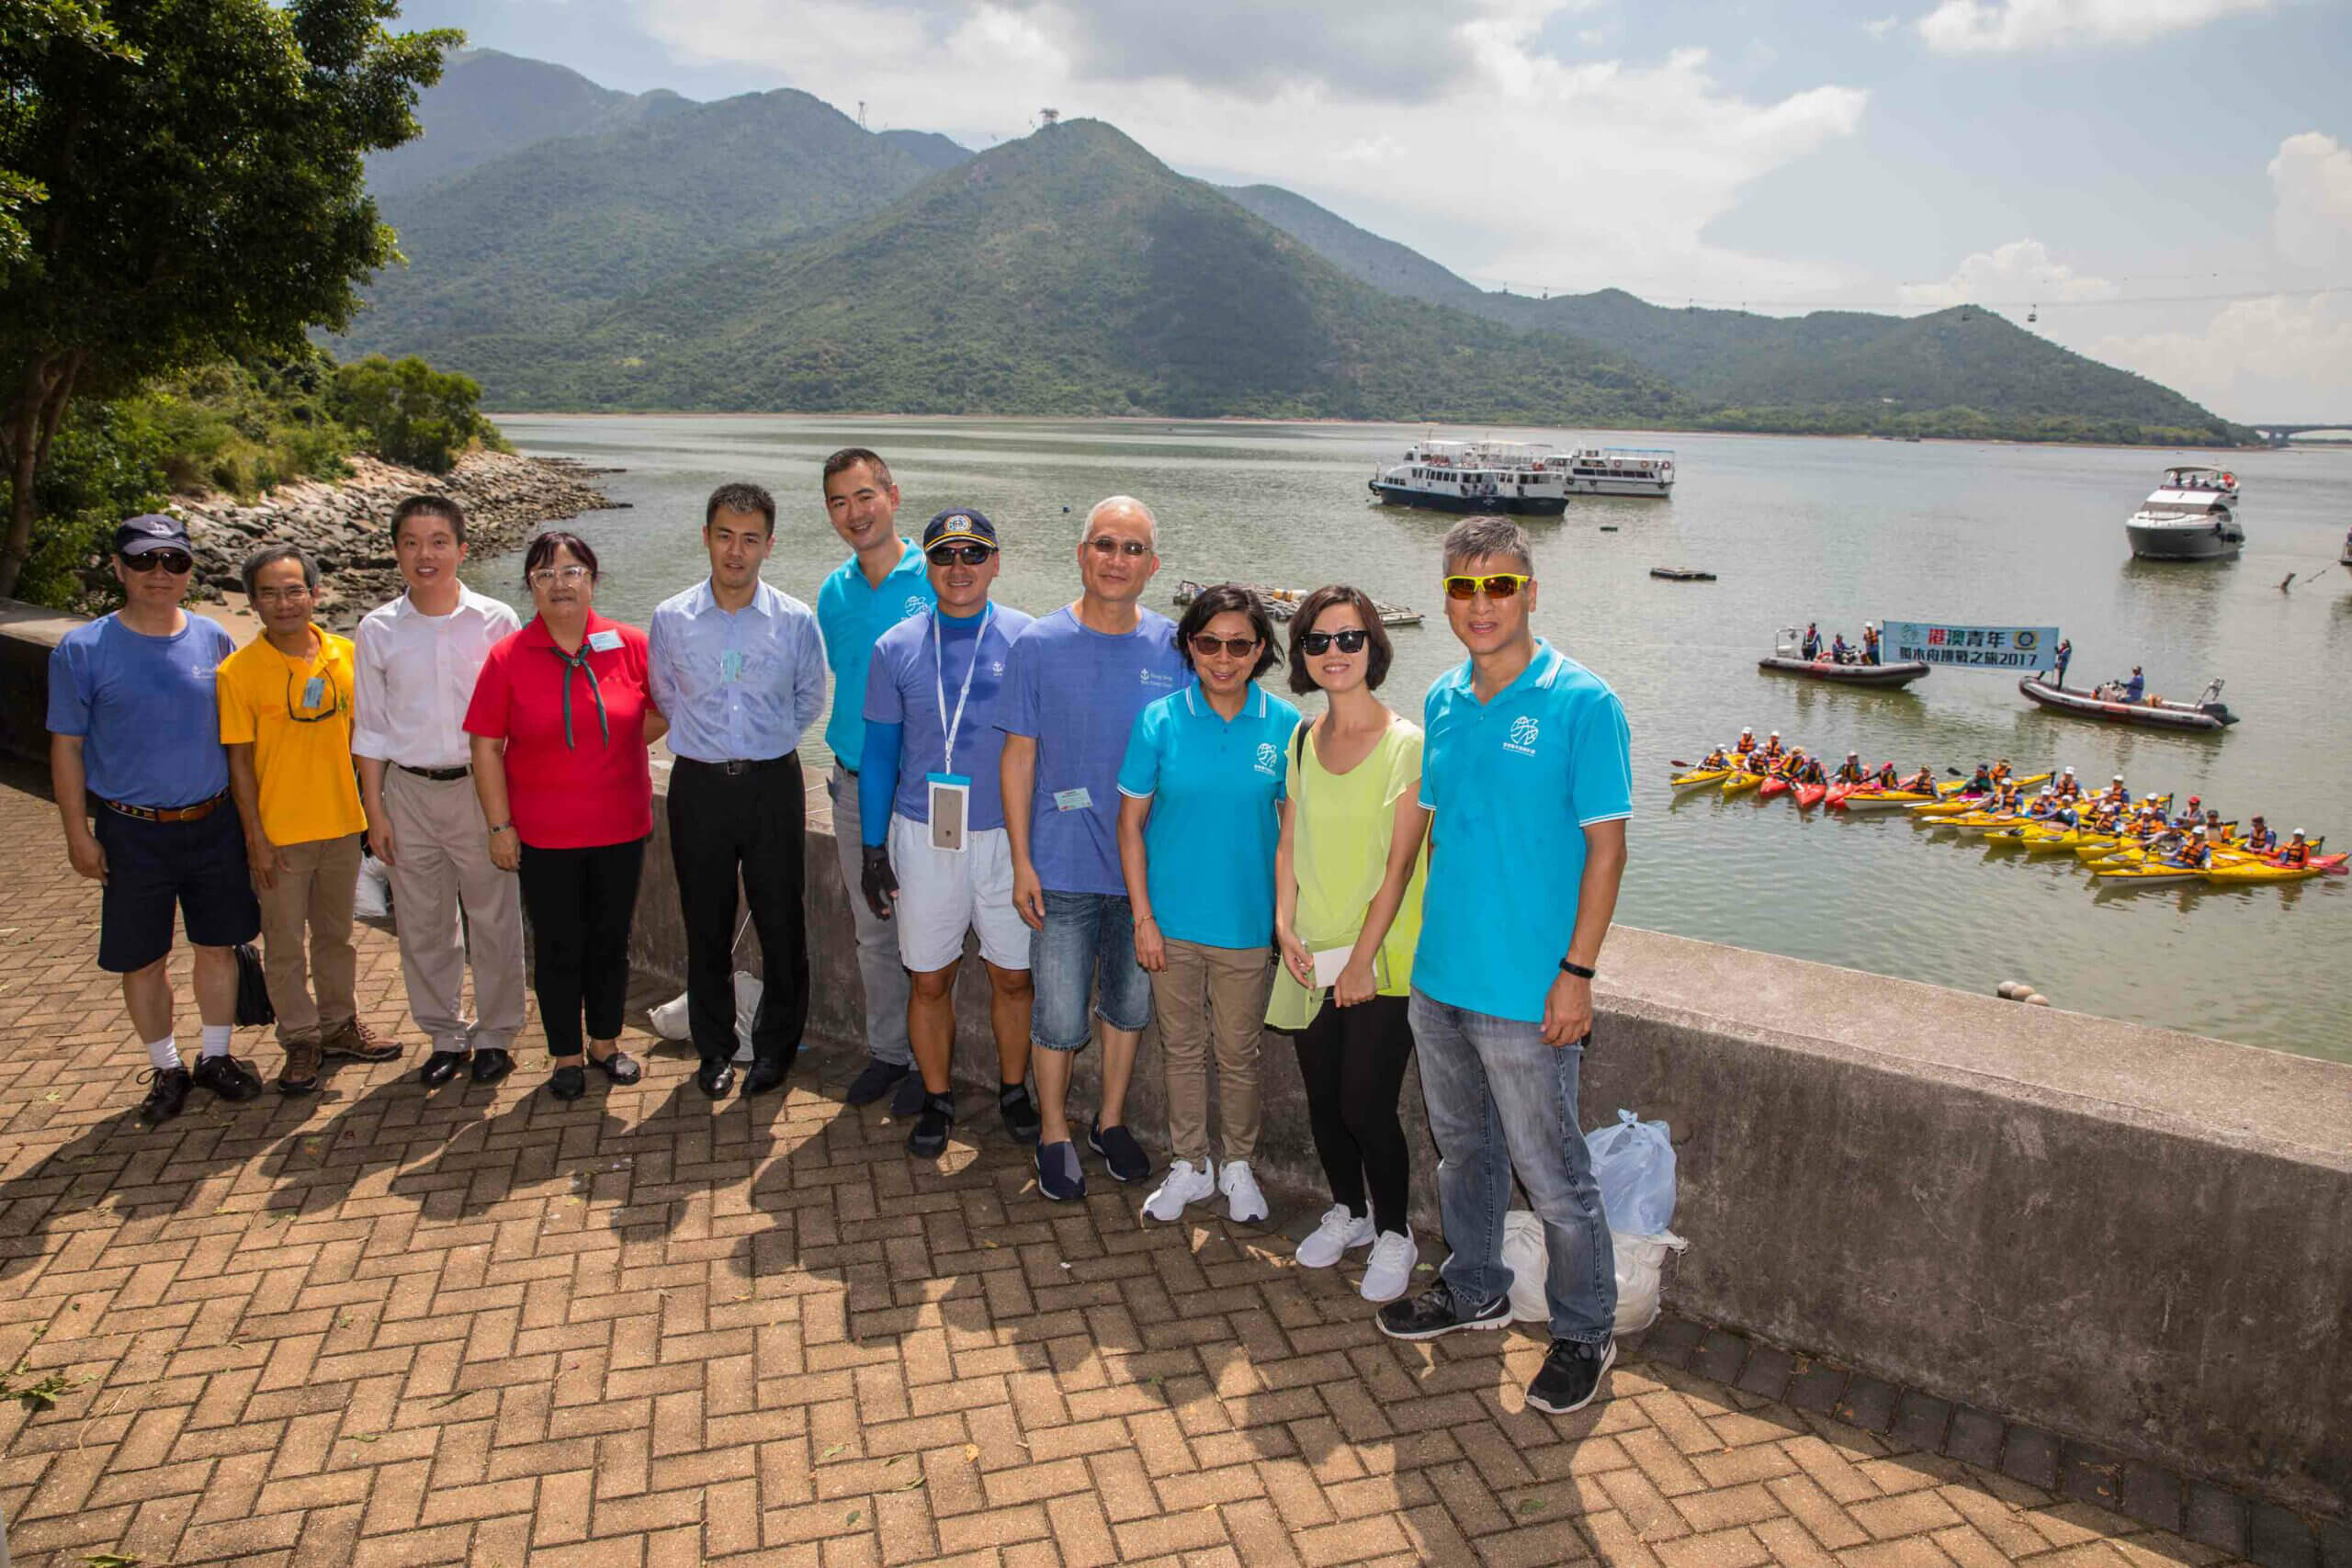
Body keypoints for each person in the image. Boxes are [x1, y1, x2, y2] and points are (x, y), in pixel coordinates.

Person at [1377, 516, 1631, 1420]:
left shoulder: (1581, 703)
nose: (1478, 603)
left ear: (1529, 592)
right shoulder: (1444, 698)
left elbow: (1606, 850)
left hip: (1528, 991)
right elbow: (1433, 828)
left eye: (1497, 585)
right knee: (1465, 1156)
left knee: (1555, 1174)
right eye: (1460, 586)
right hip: (1440, 978)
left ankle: (1582, 1330)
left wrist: (1578, 971)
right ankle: (1473, 1285)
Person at [999, 495, 1187, 1201]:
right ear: (1082, 554)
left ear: (1153, 565)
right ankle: (1053, 1131)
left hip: (1146, 875)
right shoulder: (1039, 645)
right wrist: (1022, 859)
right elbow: (1018, 757)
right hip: (1063, 864)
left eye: (1132, 549)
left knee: (1129, 1007)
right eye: (1105, 544)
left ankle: (1109, 1122)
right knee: (1056, 1012)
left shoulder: (1176, 648)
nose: (1117, 560)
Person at [47, 515, 264, 1122]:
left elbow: (238, 741)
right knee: (142, 958)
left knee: (218, 945)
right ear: (118, 567)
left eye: (173, 561)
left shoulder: (214, 639)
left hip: (213, 821)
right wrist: (76, 834)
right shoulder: (82, 649)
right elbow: (65, 746)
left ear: (190, 570)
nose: (159, 574)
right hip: (132, 828)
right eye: (143, 561)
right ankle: (166, 1067)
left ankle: (215, 1057)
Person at [857, 507, 1040, 1156]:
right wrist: (872, 846)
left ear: (995, 562)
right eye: (944, 555)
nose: (958, 567)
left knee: (1012, 977)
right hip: (922, 834)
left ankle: (1013, 1088)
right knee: (929, 978)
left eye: (972, 553)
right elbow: (879, 753)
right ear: (927, 566)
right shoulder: (895, 646)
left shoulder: (1029, 640)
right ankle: (937, 1095)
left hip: (1005, 839)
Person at [1117, 584, 1300, 1227]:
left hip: (1246, 927)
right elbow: (1129, 826)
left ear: (1260, 651)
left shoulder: (1285, 727)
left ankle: (1238, 1165)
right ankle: (1190, 1163)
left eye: (1240, 645)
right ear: (1190, 646)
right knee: (1181, 1047)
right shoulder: (1159, 720)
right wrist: (1143, 916)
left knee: (1239, 1054)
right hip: (1170, 923)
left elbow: (1291, 837)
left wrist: (1282, 920)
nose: (1224, 657)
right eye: (1209, 643)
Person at [1267, 586, 1428, 1303]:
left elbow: (1399, 867)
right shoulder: (1303, 737)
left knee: (1367, 1102)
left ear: (1374, 646)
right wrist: (1283, 924)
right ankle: (1350, 1212)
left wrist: (1362, 959)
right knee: (1324, 1099)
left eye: (1349, 638)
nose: (1335, 653)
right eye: (1318, 641)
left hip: (1382, 958)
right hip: (1311, 949)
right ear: (1302, 654)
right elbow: (1290, 839)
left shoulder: (1407, 744)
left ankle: (1396, 1230)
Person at [464, 533, 665, 1101]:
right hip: (545, 834)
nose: (560, 584)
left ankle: (604, 1042)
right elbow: (485, 745)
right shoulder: (508, 657)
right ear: (530, 586)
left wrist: (615, 752)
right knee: (557, 946)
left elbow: (659, 712)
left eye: (572, 571)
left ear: (593, 579)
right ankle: (565, 1054)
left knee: (610, 941)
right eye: (544, 574)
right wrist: (500, 827)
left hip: (620, 826)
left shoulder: (628, 644)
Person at [650, 482, 826, 1100]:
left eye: (750, 538)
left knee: (781, 919)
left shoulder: (796, 619)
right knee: (705, 923)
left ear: (769, 546)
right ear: (706, 537)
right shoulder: (671, 618)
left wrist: (762, 741)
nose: (736, 550)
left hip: (772, 782)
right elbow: (667, 697)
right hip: (697, 785)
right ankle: (715, 1047)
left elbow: (810, 700)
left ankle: (776, 1048)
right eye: (725, 535)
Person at [354, 495, 528, 1089]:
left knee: (494, 918)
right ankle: (446, 1033)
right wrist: (373, 811)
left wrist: (509, 810)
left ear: (462, 549)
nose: (424, 554)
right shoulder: (376, 629)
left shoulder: (497, 620)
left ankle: (498, 1034)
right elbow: (370, 729)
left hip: (481, 791)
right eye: (411, 542)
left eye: (437, 541)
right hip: (407, 790)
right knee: (423, 923)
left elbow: (518, 715)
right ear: (397, 550)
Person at [218, 544, 401, 1094]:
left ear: (314, 594)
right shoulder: (239, 671)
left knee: (336, 937)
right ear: (253, 602)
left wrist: (374, 813)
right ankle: (300, 1039)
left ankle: (340, 1024)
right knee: (283, 945)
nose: (284, 602)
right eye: (270, 593)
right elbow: (240, 764)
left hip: (342, 824)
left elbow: (368, 739)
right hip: (279, 833)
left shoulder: (345, 655)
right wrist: (255, 838)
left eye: (294, 589)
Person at [815, 448, 936, 1114]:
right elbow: (843, 673)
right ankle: (888, 1052)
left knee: (930, 930)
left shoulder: (941, 575)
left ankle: (930, 1063)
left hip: (922, 789)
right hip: (855, 785)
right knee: (873, 931)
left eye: (865, 496)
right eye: (838, 501)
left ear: (892, 495)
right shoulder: (834, 591)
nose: (854, 513)